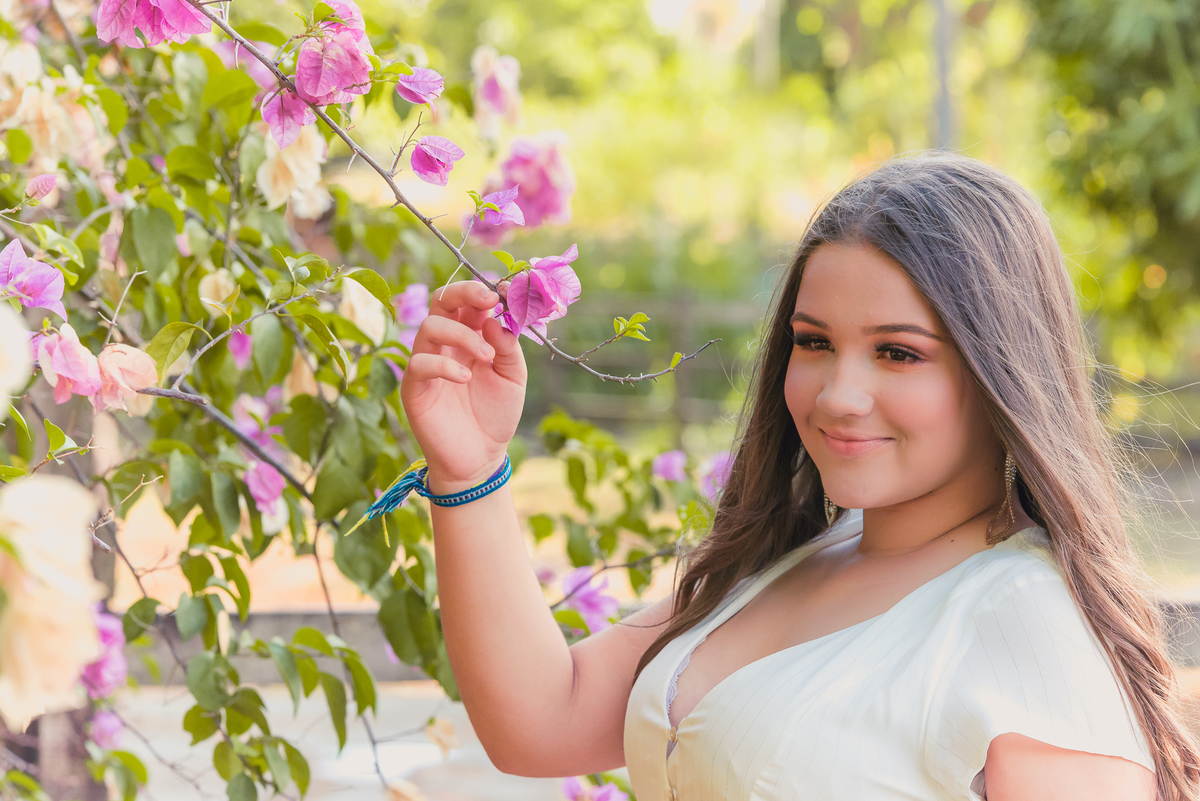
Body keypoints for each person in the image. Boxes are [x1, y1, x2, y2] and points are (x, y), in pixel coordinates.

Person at [398, 153, 1200, 801]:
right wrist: (472, 467)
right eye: (814, 342)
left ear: (1003, 371)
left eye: (898, 352)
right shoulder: (786, 560)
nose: (838, 395)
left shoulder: (1024, 621)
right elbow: (542, 719)